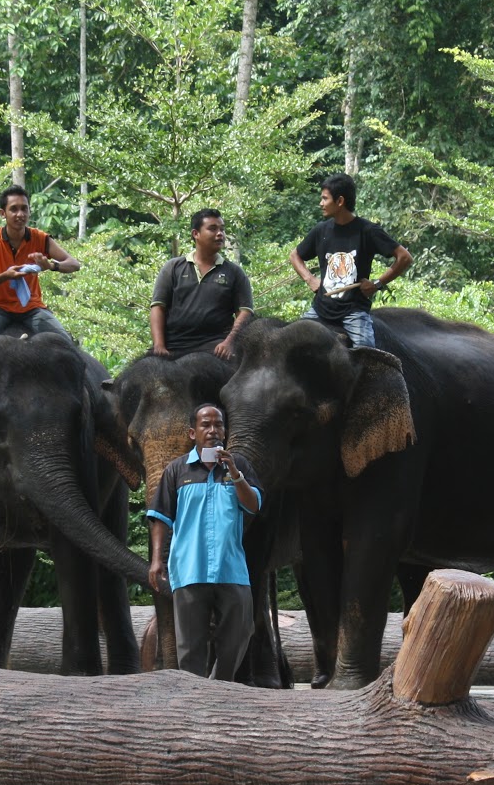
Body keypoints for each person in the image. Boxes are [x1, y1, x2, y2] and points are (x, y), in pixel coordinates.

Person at [146, 403, 263, 680]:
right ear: (192, 432)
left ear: (225, 430)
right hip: (189, 568)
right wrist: (156, 560)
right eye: (206, 425)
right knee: (189, 646)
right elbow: (161, 516)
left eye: (218, 425)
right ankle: (193, 701)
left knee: (240, 633)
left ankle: (218, 687)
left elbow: (254, 505)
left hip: (230, 568)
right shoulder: (177, 471)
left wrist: (234, 473)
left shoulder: (239, 466)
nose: (213, 431)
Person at [288, 172, 413, 349]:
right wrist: (310, 279)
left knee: (366, 353)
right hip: (320, 310)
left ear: (340, 201)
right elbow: (295, 256)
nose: (320, 204)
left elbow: (404, 258)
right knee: (290, 343)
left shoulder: (368, 231)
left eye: (324, 199)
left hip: (354, 312)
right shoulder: (321, 230)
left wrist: (377, 284)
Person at [0, 185, 80, 354]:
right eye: (13, 209)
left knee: (65, 343)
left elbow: (74, 264)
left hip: (31, 308)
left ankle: (82, 381)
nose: (20, 214)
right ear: (2, 213)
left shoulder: (39, 238)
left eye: (24, 209)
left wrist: (51, 265)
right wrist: (6, 275)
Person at [149, 208, 254, 359]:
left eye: (222, 229)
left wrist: (229, 342)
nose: (220, 234)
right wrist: (158, 345)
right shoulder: (173, 268)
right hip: (174, 346)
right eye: (213, 229)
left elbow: (245, 312)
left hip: (215, 347)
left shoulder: (234, 272)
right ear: (195, 234)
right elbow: (158, 307)